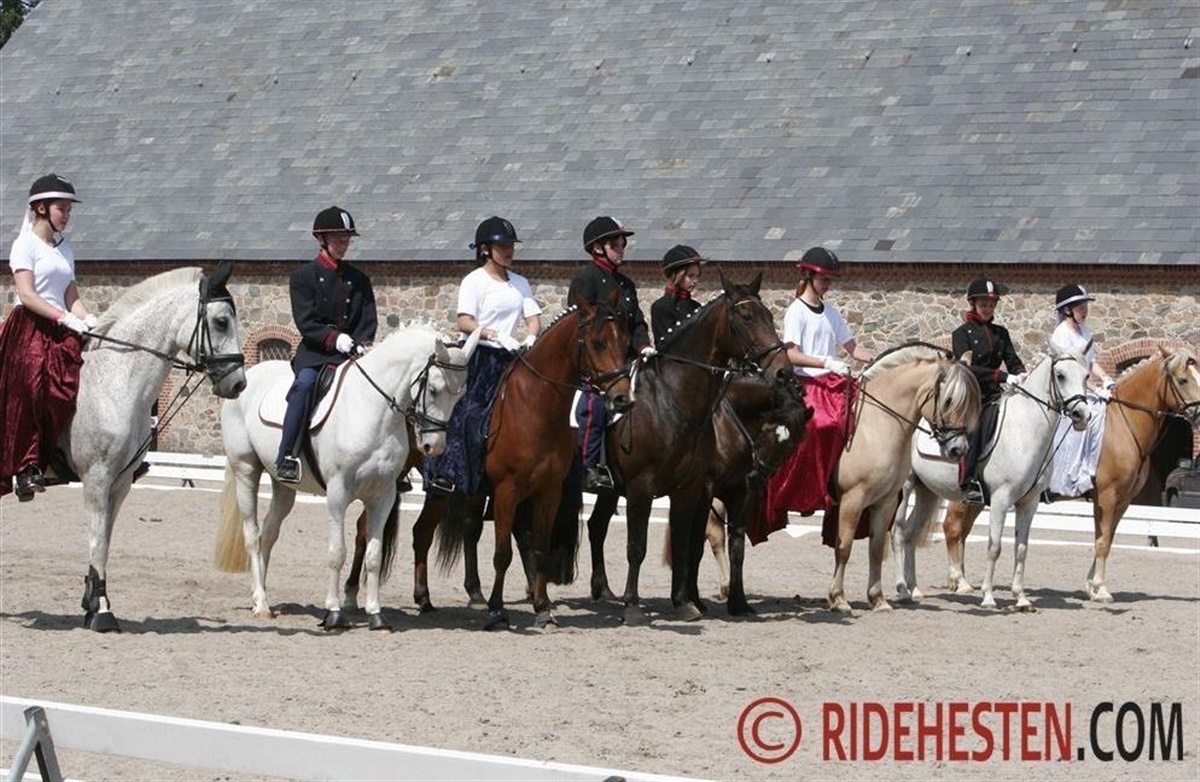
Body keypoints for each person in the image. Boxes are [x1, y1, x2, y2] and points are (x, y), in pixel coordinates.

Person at [422, 216, 541, 496]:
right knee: (469, 414)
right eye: (503, 246)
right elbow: (465, 322)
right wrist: (493, 334)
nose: (510, 250)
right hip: (479, 356)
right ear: (486, 249)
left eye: (511, 245)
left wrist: (531, 337)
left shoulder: (521, 283)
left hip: (511, 356)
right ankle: (446, 474)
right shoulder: (474, 280)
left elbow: (533, 319)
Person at [759, 247, 872, 538]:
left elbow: (853, 349)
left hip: (834, 381)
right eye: (824, 279)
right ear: (809, 276)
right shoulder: (796, 311)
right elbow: (792, 354)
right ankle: (811, 488)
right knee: (823, 423)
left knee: (864, 418)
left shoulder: (832, 313)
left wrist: (879, 360)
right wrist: (825, 362)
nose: (827, 285)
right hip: (807, 383)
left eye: (829, 280)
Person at [0, 174, 93, 502]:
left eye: (69, 210)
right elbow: (27, 294)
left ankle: (73, 455)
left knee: (72, 387)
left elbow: (71, 296)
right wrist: (63, 317)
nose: (67, 215)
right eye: (61, 209)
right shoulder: (25, 245)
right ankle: (26, 469)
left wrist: (88, 319)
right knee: (32, 388)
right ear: (41, 208)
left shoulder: (65, 250)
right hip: (29, 327)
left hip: (60, 327)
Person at [275, 206, 377, 484]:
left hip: (351, 355)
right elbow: (306, 322)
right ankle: (287, 454)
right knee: (305, 385)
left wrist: (362, 344)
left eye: (347, 240)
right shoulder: (303, 277)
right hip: (316, 354)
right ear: (322, 239)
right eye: (339, 240)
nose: (344, 245)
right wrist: (335, 339)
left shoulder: (359, 280)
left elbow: (368, 319)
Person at [568, 216, 653, 491]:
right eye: (616, 244)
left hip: (626, 360)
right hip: (597, 365)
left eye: (623, 244)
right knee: (594, 406)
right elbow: (580, 326)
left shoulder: (626, 284)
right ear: (598, 248)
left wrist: (644, 346)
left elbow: (637, 322)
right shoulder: (585, 280)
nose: (621, 249)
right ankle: (589, 467)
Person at [952, 278, 1026, 505]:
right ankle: (968, 481)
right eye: (984, 304)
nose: (988, 308)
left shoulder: (1001, 333)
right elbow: (968, 369)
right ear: (973, 304)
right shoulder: (961, 334)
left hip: (996, 393)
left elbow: (1012, 360)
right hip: (973, 393)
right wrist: (1002, 376)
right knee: (976, 426)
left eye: (991, 305)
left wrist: (1021, 374)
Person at [1046, 283, 1112, 499]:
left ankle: (1092, 468)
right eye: (1080, 308)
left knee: (1105, 410)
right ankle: (1072, 476)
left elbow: (1091, 362)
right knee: (1092, 414)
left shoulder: (1086, 332)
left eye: (1086, 307)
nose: (1085, 311)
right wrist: (1095, 389)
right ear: (1067, 310)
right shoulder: (1061, 335)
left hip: (1083, 387)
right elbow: (1071, 371)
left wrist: (1106, 379)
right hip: (1067, 391)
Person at [649, 244, 704, 347]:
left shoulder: (696, 307)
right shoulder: (661, 307)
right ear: (678, 275)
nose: (695, 281)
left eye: (697, 276)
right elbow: (666, 345)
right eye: (690, 276)